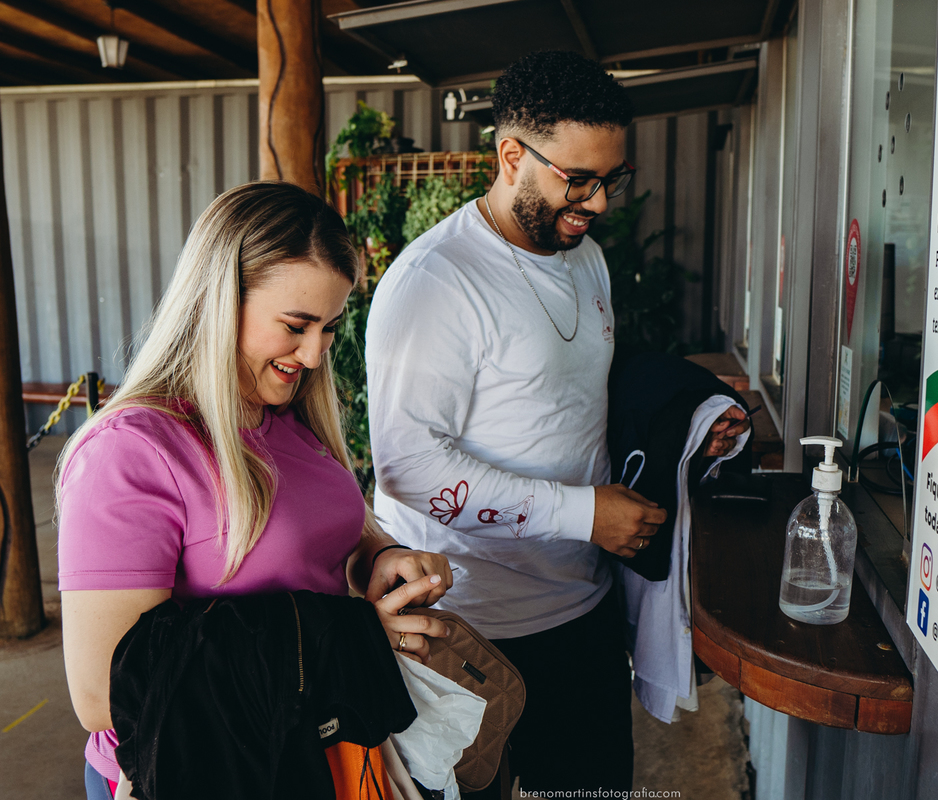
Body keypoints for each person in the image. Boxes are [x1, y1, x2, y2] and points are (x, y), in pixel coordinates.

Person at [365, 51, 748, 795]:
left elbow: (582, 393)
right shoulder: (435, 284)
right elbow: (408, 467)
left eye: (613, 178)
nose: (600, 202)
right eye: (580, 179)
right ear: (512, 156)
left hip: (583, 606)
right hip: (471, 623)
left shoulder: (587, 259)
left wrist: (693, 419)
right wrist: (582, 513)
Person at [56, 181, 452, 799]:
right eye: (296, 325)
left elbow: (305, 535)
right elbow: (103, 693)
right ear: (218, 301)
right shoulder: (129, 451)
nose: (316, 355)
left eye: (328, 327)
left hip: (312, 747)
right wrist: (349, 641)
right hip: (208, 768)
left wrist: (378, 554)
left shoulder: (285, 411)